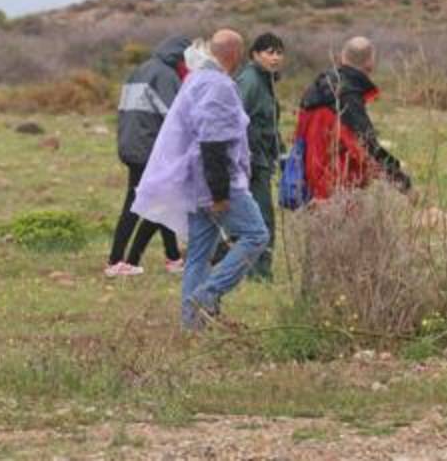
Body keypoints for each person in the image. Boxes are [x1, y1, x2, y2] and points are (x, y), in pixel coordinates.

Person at [132, 30, 268, 330]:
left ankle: (191, 326)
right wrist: (220, 193)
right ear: (234, 54)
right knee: (256, 235)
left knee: (199, 254)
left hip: (195, 181)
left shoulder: (196, 79)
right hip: (216, 181)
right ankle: (208, 293)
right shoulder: (217, 85)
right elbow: (213, 141)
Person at [106, 35, 190, 277]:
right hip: (149, 149)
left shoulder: (140, 70)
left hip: (130, 145)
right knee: (136, 204)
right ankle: (115, 261)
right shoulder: (165, 75)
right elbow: (174, 116)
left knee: (163, 200)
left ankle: (173, 258)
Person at [295, 36, 410, 202]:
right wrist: (402, 183)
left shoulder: (317, 88)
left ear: (342, 57)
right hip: (337, 189)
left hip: (309, 184)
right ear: (370, 62)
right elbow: (367, 148)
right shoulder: (347, 98)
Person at [234, 32, 284, 280]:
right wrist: (249, 157)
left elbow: (269, 124)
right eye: (269, 52)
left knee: (248, 219)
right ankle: (259, 274)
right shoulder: (251, 81)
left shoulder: (266, 81)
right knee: (262, 220)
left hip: (262, 159)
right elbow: (237, 119)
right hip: (251, 162)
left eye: (278, 52)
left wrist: (281, 152)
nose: (275, 57)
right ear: (255, 54)